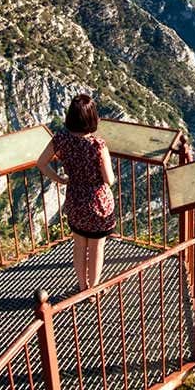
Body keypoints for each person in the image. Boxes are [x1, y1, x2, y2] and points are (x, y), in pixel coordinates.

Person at [36, 94, 116, 294]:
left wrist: (61, 179)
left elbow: (41, 163)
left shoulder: (61, 139)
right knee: (97, 248)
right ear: (92, 118)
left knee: (79, 247)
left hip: (75, 200)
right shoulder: (98, 145)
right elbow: (109, 179)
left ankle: (82, 287)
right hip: (98, 203)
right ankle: (93, 289)